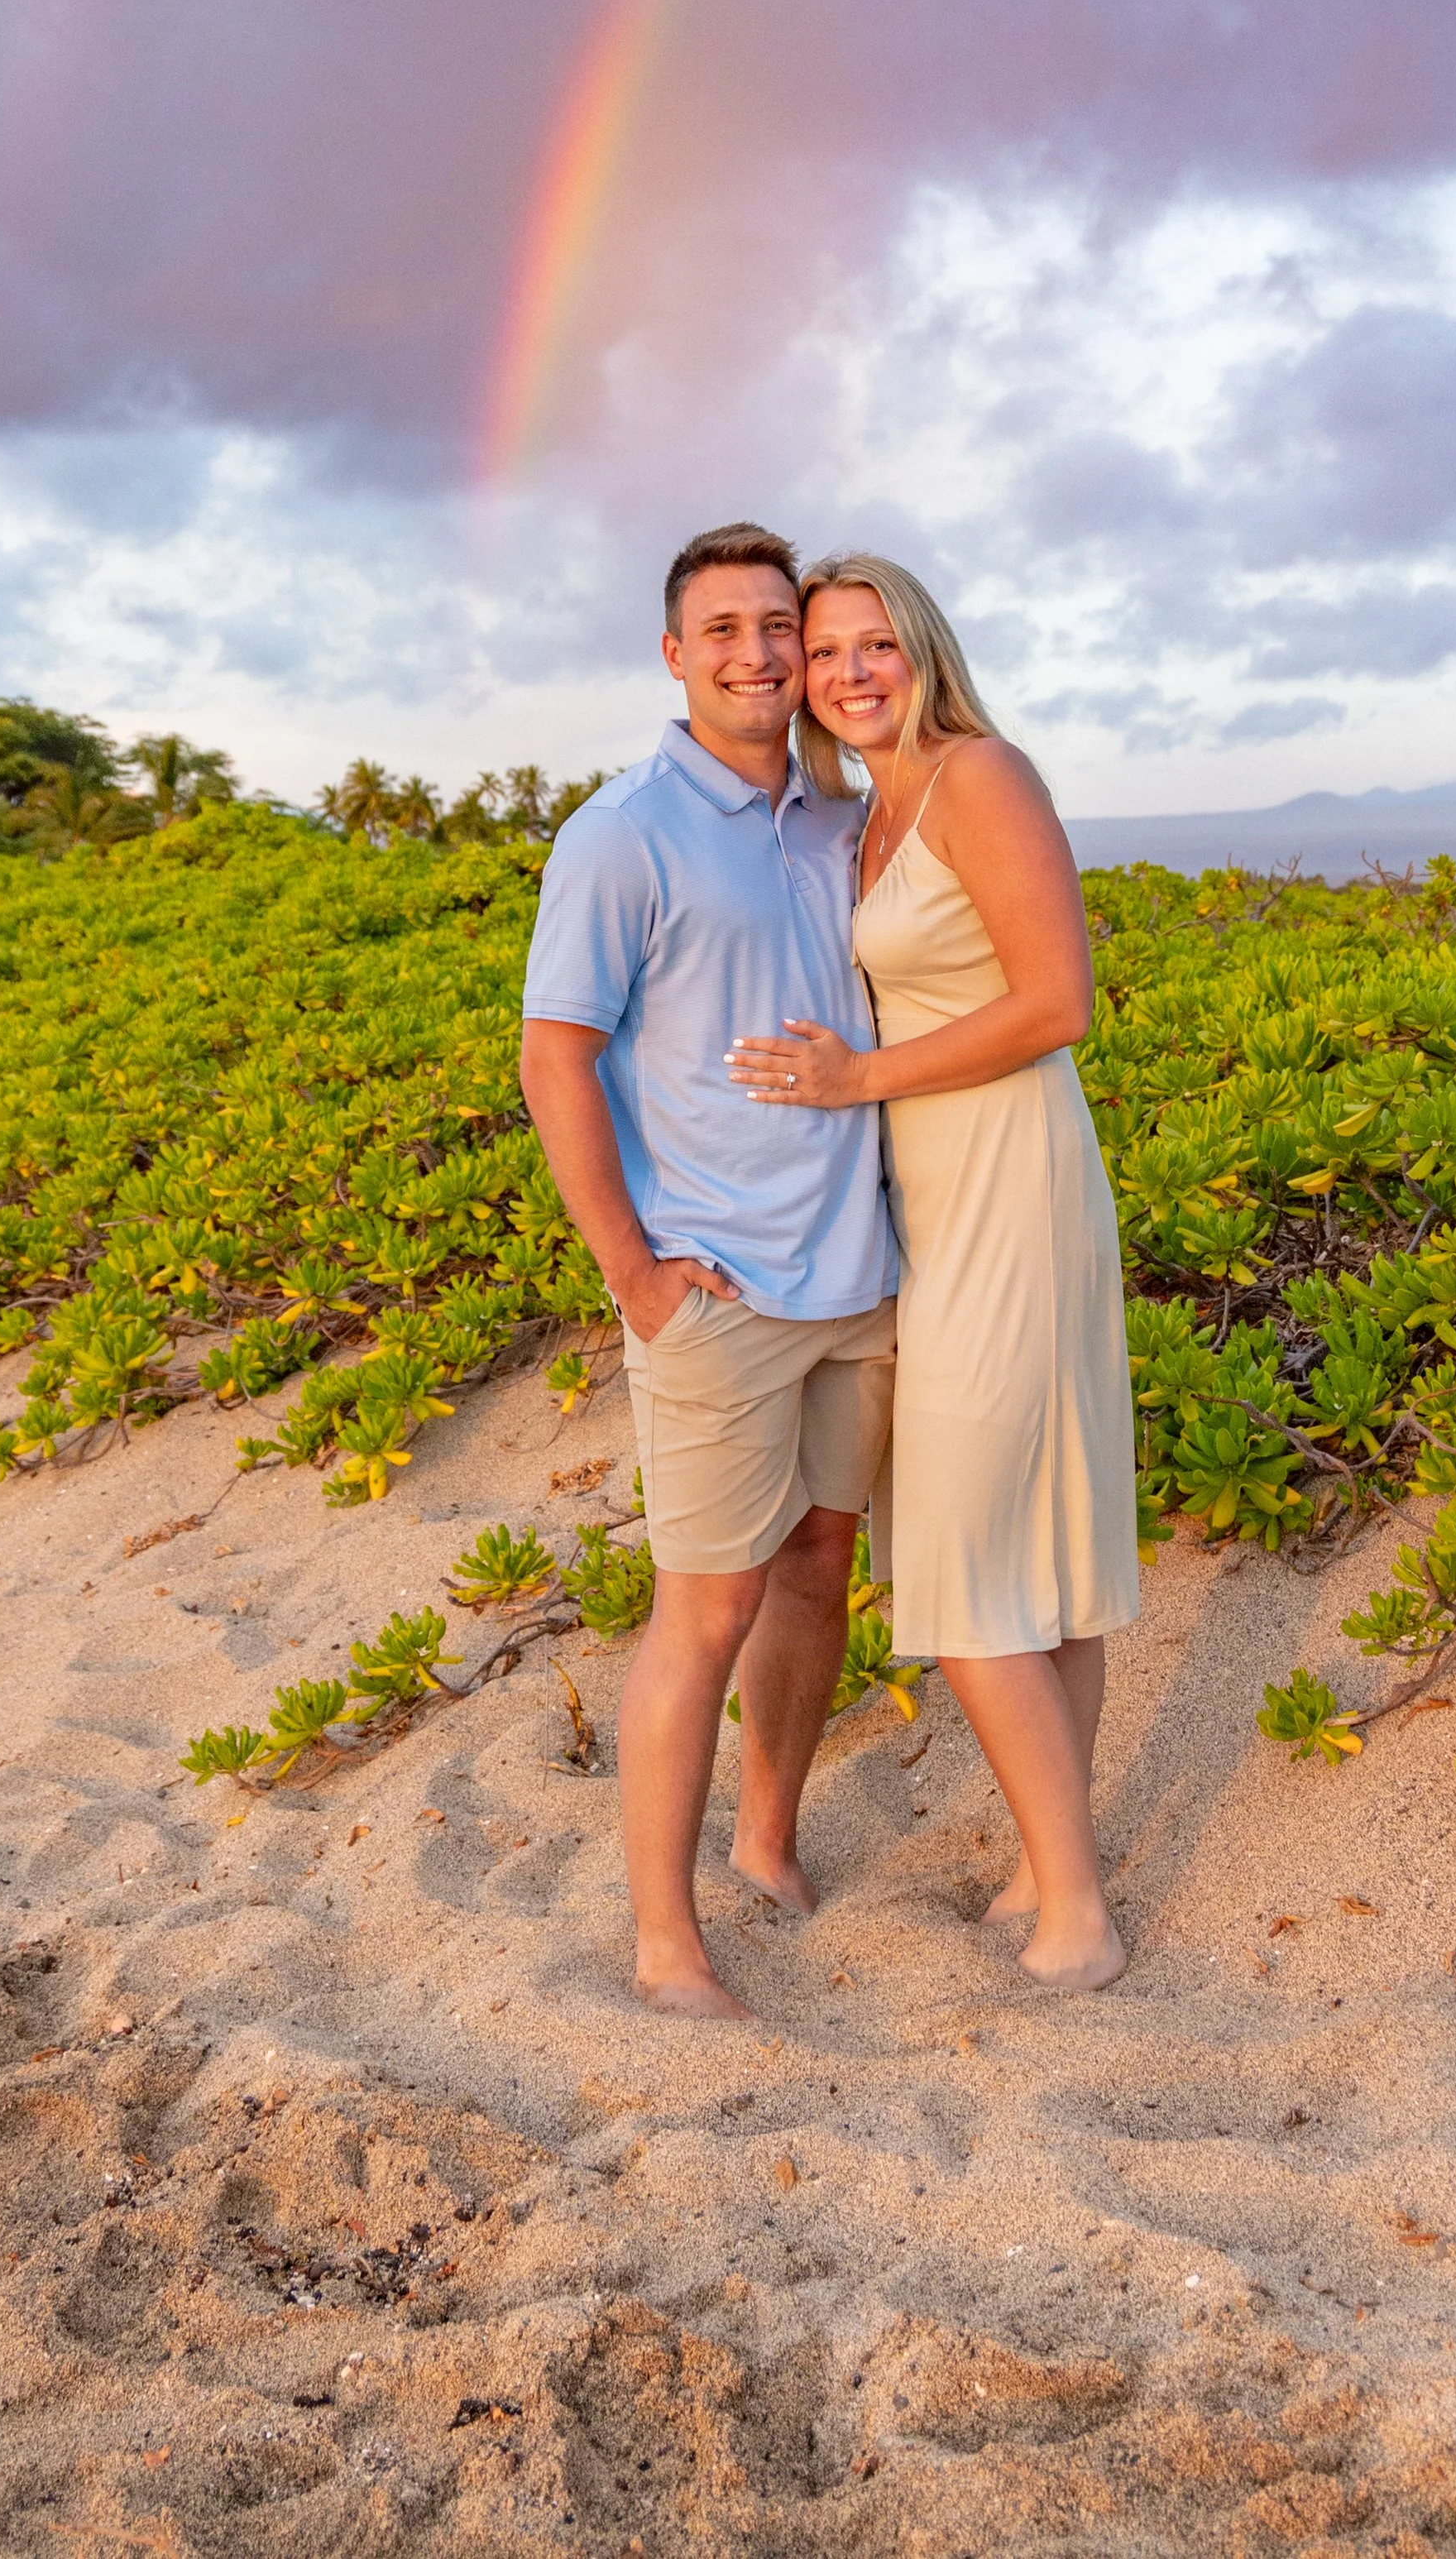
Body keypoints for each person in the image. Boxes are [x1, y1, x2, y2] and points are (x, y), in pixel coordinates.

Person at [726, 554, 1138, 1991]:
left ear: (923, 648)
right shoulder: (864, 811)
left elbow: (1057, 1000)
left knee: (964, 1567)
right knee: (1042, 1551)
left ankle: (1076, 1912)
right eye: (825, 650)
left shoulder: (978, 775)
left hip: (1011, 1180)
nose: (848, 669)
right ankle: (1046, 1855)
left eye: (873, 643)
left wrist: (859, 1082)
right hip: (936, 1196)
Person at [520, 522, 897, 2020]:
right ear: (674, 656)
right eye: (724, 628)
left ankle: (769, 1838)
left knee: (820, 1570)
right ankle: (665, 1941)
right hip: (715, 1292)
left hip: (856, 1276)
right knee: (707, 1610)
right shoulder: (622, 832)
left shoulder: (837, 810)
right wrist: (636, 1272)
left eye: (778, 627)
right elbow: (556, 1055)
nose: (758, 652)